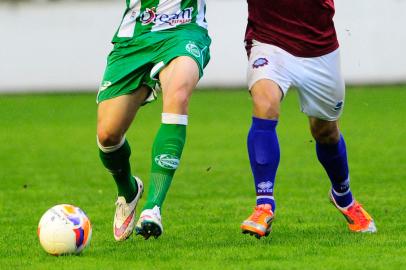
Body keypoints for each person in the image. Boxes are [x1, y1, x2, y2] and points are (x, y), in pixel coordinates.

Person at [240, 0, 376, 238]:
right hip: (268, 40)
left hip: (319, 49)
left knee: (325, 132)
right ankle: (263, 205)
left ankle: (343, 197)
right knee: (265, 102)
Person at [97, 0, 211, 241]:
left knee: (178, 95)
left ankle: (153, 208)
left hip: (183, 30)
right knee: (108, 135)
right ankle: (128, 191)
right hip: (135, 38)